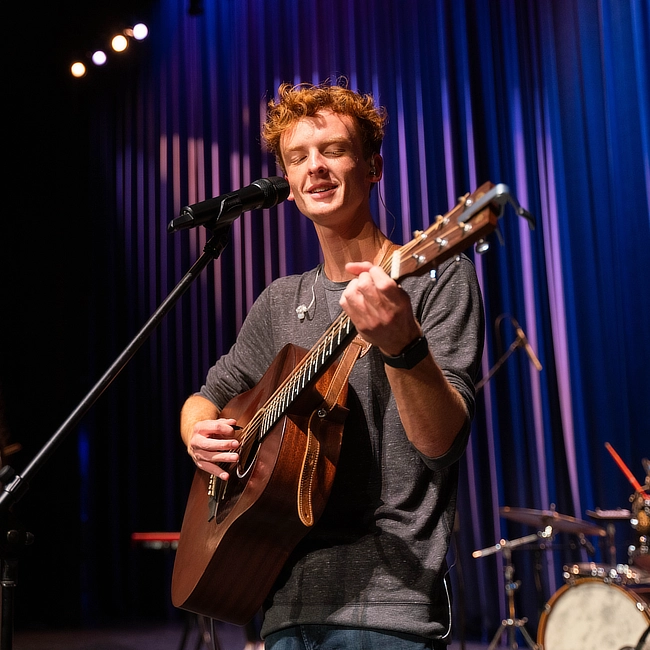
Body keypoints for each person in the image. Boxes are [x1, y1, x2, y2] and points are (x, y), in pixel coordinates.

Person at [179, 80, 484, 649]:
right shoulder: (278, 300)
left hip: (391, 613)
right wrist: (198, 433)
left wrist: (402, 345)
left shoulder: (437, 278)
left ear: (373, 166)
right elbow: (207, 395)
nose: (314, 167)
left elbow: (441, 443)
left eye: (333, 150)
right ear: (289, 187)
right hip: (280, 605)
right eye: (298, 158)